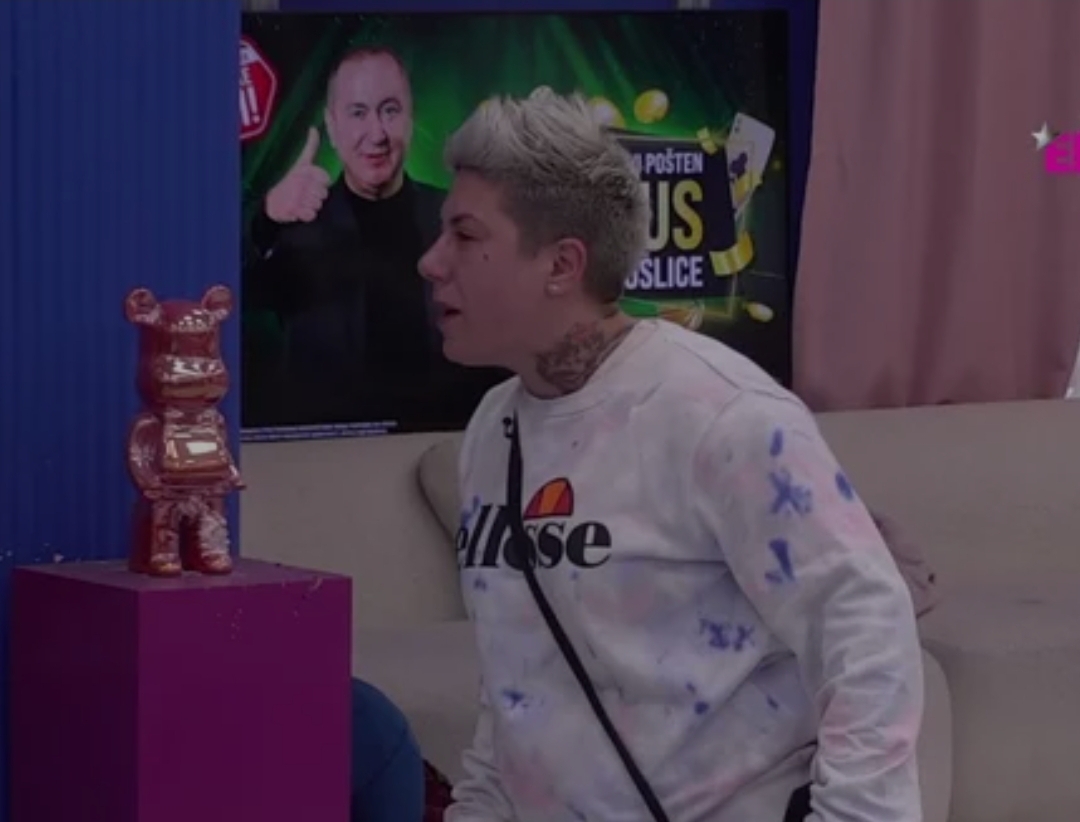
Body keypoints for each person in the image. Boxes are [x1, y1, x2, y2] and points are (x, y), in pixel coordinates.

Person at [418, 87, 925, 822]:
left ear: (562, 264)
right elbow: (517, 695)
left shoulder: (721, 414)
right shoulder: (493, 431)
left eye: (464, 236)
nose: (431, 262)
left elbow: (865, 626)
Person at [242, 46, 500, 430]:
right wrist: (266, 218)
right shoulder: (293, 225)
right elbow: (217, 295)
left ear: (410, 119)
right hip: (329, 451)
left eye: (390, 110)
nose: (376, 134)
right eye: (358, 113)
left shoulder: (457, 218)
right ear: (332, 126)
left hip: (438, 444)